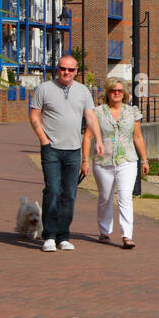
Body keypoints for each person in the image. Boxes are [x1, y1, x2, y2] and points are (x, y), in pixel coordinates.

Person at [28, 56, 101, 251]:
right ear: (57, 69)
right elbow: (34, 114)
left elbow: (91, 117)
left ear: (77, 71)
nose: (66, 72)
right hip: (51, 149)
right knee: (53, 190)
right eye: (62, 68)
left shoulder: (83, 91)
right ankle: (49, 235)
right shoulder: (44, 88)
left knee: (69, 194)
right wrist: (43, 139)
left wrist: (99, 140)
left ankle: (63, 235)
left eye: (70, 69)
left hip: (74, 150)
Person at [82, 77, 148, 249]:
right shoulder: (97, 112)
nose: (116, 93)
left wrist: (145, 160)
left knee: (125, 198)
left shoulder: (132, 112)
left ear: (124, 93)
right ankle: (105, 231)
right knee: (105, 198)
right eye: (113, 90)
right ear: (108, 93)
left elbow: (138, 137)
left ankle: (127, 236)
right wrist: (85, 160)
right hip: (103, 162)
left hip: (127, 161)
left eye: (119, 90)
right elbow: (88, 137)